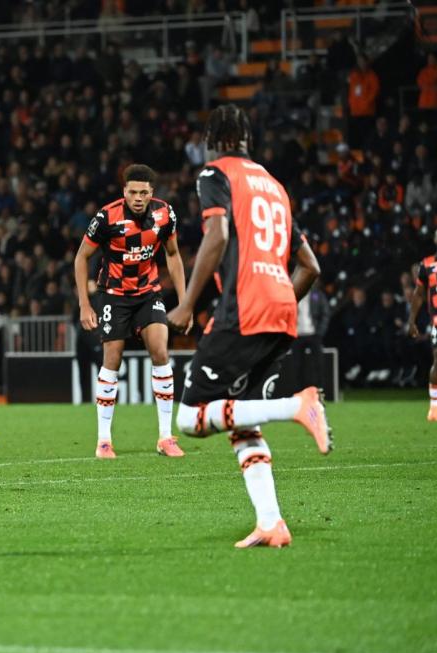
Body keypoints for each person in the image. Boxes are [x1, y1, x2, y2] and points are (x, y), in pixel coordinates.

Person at [167, 104, 330, 549]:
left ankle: (297, 406)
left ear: (213, 142)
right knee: (241, 422)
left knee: (191, 419)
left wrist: (186, 304)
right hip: (281, 308)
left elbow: (216, 237)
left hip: (245, 311)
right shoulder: (274, 186)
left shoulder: (215, 175)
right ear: (247, 141)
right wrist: (279, 301)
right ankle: (272, 523)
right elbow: (310, 266)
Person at [73, 163, 188, 460]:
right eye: (133, 192)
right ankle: (104, 441)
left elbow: (173, 255)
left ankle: (165, 437)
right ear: (124, 191)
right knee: (112, 359)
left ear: (152, 193)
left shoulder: (165, 215)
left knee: (160, 351)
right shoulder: (106, 217)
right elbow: (81, 257)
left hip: (148, 293)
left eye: (144, 192)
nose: (138, 197)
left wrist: (185, 302)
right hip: (113, 295)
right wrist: (85, 305)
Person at [407, 225, 437, 422]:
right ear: (435, 240)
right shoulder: (426, 265)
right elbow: (418, 295)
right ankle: (435, 406)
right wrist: (412, 320)